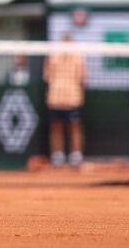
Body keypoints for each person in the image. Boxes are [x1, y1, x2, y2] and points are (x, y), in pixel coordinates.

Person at [44, 34, 86, 167]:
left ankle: (76, 155)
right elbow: (47, 76)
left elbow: (82, 78)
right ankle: (57, 155)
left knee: (75, 127)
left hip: (73, 98)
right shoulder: (53, 56)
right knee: (55, 126)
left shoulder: (78, 57)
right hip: (55, 98)